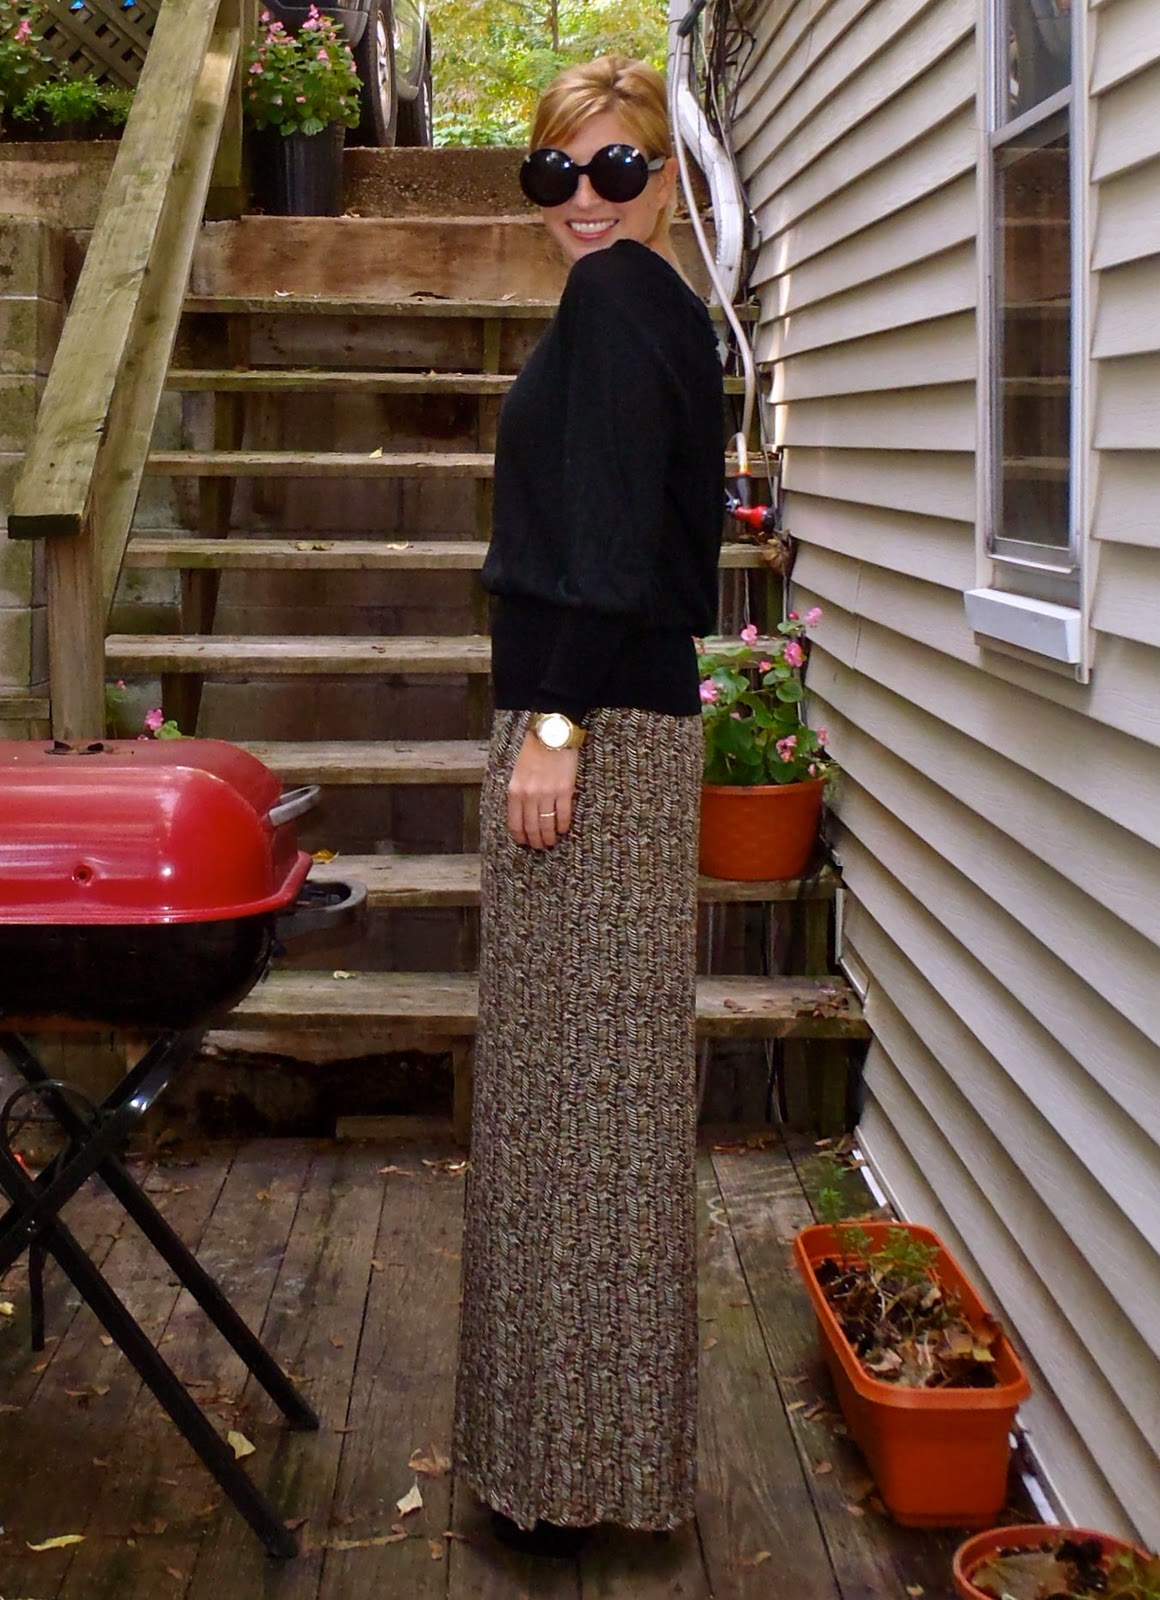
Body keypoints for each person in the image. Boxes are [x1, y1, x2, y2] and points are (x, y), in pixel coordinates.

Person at [452, 54, 724, 1555]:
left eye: (617, 168)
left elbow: (613, 543)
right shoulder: (658, 307)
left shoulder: (621, 299)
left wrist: (551, 729)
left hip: (593, 730)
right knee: (599, 1111)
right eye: (557, 172)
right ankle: (595, 1466)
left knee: (572, 1117)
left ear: (666, 181)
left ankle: (566, 1480)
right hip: (621, 726)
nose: (585, 199)